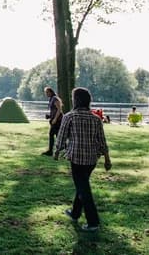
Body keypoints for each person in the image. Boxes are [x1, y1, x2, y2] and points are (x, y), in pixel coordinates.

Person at [54, 87, 112, 233]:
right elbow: (102, 141)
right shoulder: (96, 119)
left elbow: (61, 137)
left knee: (83, 188)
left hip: (76, 158)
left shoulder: (69, 116)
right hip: (92, 160)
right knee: (82, 185)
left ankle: (93, 222)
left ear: (76, 100)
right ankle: (75, 213)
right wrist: (107, 159)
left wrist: (57, 150)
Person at [42, 87, 63, 156]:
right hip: (55, 120)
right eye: (46, 92)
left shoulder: (55, 99)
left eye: (47, 92)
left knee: (53, 134)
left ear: (51, 92)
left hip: (57, 120)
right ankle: (60, 149)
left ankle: (51, 151)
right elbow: (54, 111)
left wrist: (55, 119)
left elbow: (59, 110)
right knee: (57, 135)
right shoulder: (51, 99)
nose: (46, 94)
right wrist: (49, 116)